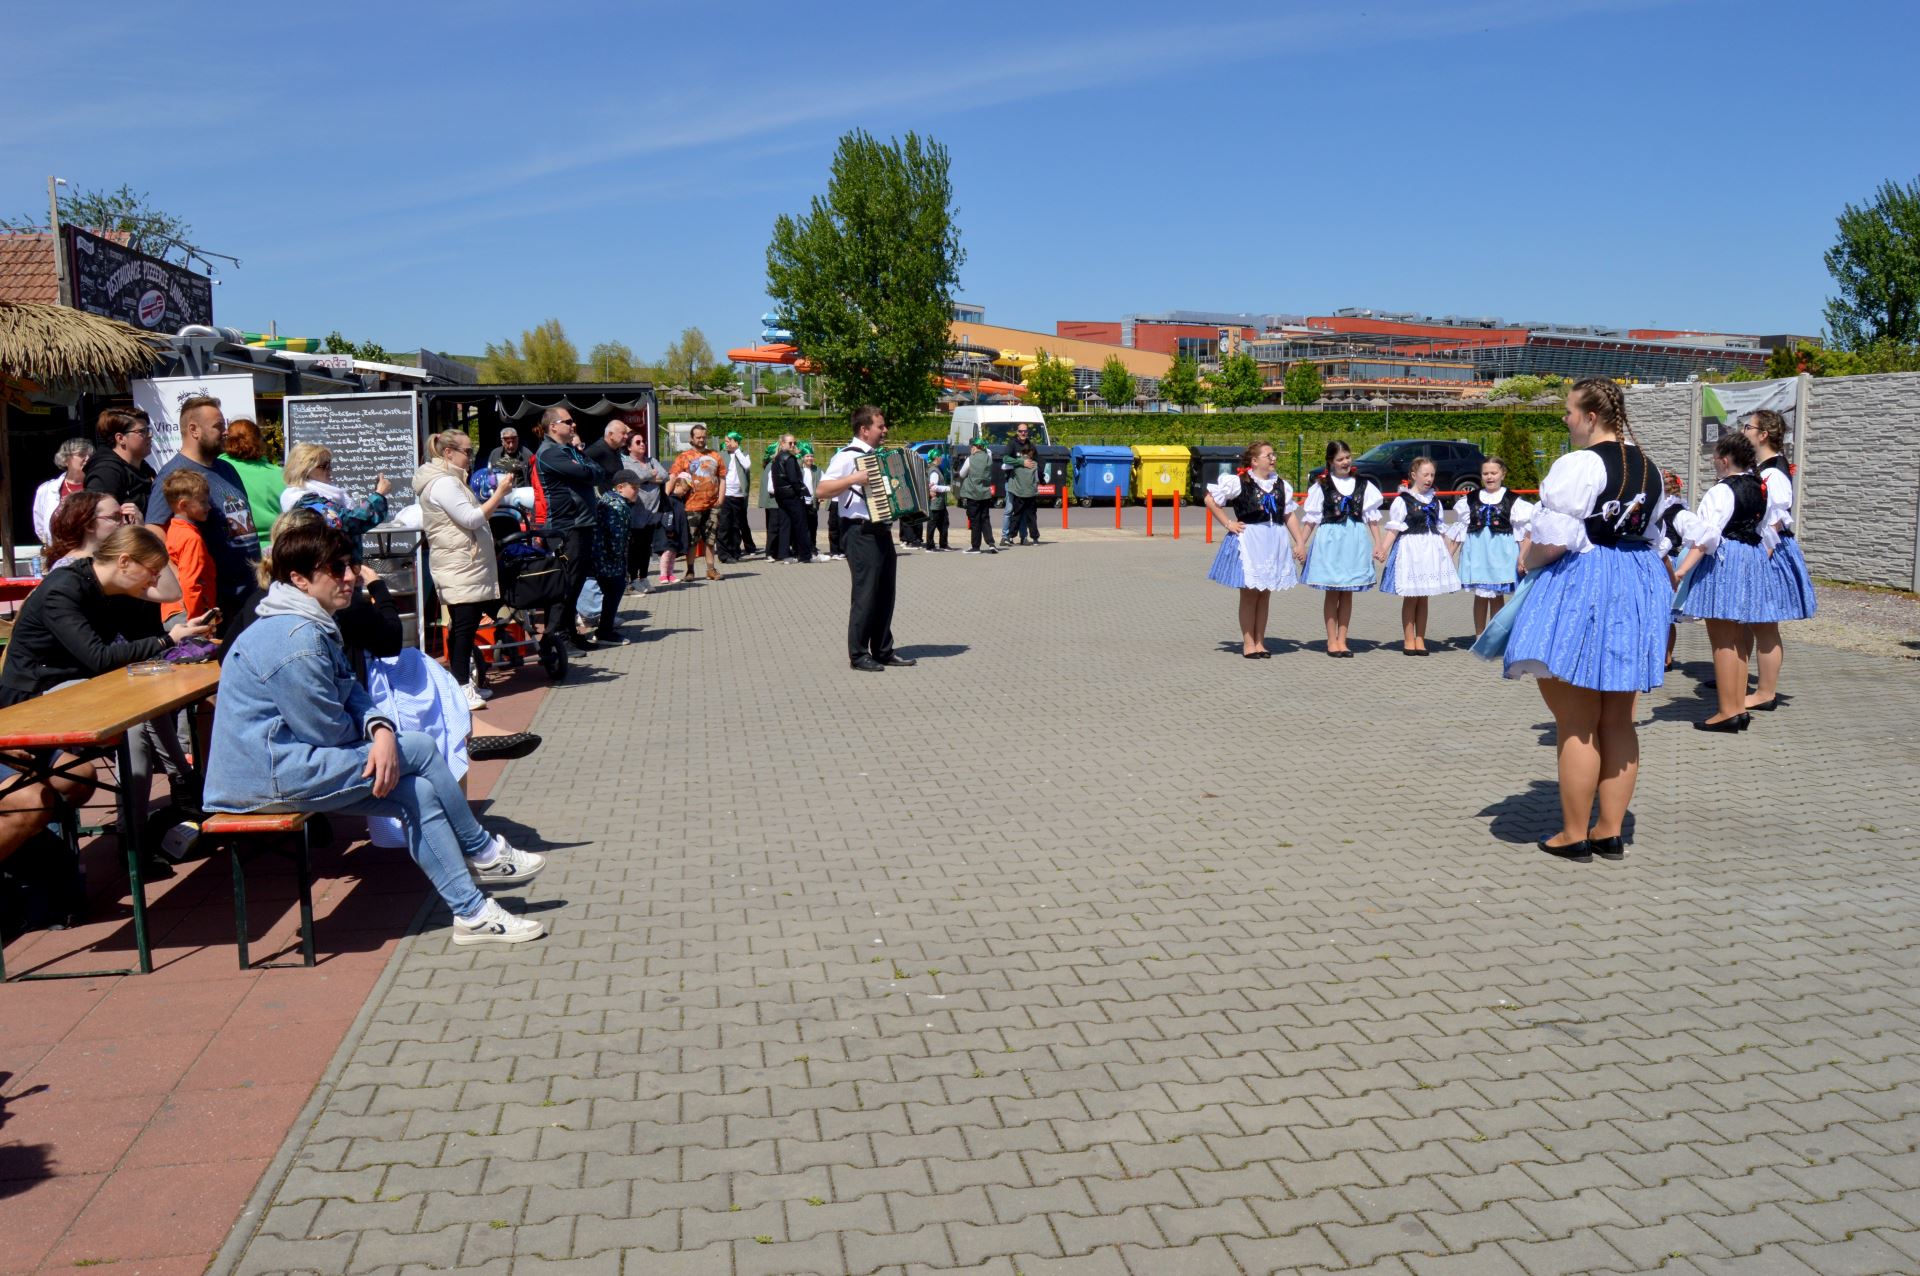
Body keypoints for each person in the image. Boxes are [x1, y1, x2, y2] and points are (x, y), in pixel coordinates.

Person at [204, 522, 547, 947]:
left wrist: (380, 729)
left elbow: (350, 689)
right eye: (335, 569)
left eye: (349, 565)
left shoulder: (309, 620)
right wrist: (382, 739)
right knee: (419, 747)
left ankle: (471, 913)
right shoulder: (295, 639)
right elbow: (325, 731)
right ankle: (481, 851)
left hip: (291, 762)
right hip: (263, 779)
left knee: (418, 792)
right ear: (299, 579)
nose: (349, 576)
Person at [1501, 378, 1675, 862]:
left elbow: (1555, 540)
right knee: (1618, 719)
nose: (1566, 419)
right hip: (1635, 582)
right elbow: (1654, 534)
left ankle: (1573, 834)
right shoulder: (1649, 468)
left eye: (1569, 411)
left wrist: (1528, 559)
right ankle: (1610, 831)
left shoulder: (1580, 464)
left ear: (1591, 417)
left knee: (1576, 721)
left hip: (1586, 582)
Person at [0, 526, 212, 817]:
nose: (154, 580)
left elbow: (169, 594)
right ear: (124, 561)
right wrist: (168, 639)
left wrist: (179, 633)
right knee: (132, 717)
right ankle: (135, 828)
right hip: (32, 695)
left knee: (147, 688)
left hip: (77, 684)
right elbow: (99, 658)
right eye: (152, 571)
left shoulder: (110, 588)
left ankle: (182, 783)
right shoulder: (63, 589)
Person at [1673, 432, 1775, 732]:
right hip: (1751, 557)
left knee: (1723, 640)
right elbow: (1766, 529)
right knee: (1737, 638)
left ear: (1726, 459)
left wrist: (1681, 571)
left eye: (1715, 457)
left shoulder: (1721, 490)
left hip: (1725, 560)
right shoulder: (1759, 486)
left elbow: (1706, 536)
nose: (1713, 462)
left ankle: (1728, 710)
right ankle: (1738, 707)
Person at [144, 396, 260, 631]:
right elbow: (153, 530)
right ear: (193, 430)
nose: (225, 432)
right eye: (218, 426)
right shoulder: (174, 474)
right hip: (215, 603)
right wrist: (179, 578)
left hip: (248, 592)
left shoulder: (226, 468)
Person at [817, 406, 914, 672]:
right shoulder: (847, 456)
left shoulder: (878, 457)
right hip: (858, 532)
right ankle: (858, 655)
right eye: (880, 426)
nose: (885, 430)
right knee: (866, 594)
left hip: (881, 530)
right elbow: (822, 490)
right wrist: (854, 478)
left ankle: (882, 650)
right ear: (864, 429)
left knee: (885, 593)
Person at [414, 430, 505, 711]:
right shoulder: (444, 483)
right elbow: (471, 518)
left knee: (464, 625)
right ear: (448, 453)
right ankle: (462, 686)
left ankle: (460, 684)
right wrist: (499, 494)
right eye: (467, 451)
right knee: (464, 626)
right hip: (458, 565)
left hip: (463, 563)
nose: (471, 457)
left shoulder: (450, 479)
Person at [1204, 441, 1305, 658]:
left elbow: (1288, 515)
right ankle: (1248, 644)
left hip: (1274, 541)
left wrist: (1299, 542)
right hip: (1251, 541)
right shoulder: (1239, 482)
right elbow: (1210, 500)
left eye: (1274, 455)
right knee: (1250, 594)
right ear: (1254, 461)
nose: (1273, 458)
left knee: (1265, 594)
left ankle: (1260, 642)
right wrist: (1228, 523)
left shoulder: (1281, 485)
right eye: (1268, 455)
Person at [1744, 409, 1815, 711]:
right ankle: (1735, 677)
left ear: (1763, 435)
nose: (1743, 431)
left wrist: (1761, 561)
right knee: (1748, 620)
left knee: (1764, 624)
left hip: (1768, 551)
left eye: (1747, 427)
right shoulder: (1763, 469)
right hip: (1761, 548)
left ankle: (1765, 693)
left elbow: (1773, 523)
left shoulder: (1774, 474)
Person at [1299, 441, 1383, 657]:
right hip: (1331, 541)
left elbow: (1372, 518)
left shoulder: (1363, 484)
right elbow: (1311, 519)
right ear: (1330, 462)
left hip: (1354, 541)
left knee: (1347, 593)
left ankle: (1342, 640)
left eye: (1347, 457)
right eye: (1340, 459)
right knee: (1332, 591)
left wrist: (1379, 543)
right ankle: (1331, 640)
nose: (1345, 462)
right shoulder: (1322, 486)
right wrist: (1300, 543)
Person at [531, 405, 602, 651]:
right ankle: (555, 638)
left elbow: (597, 471)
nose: (573, 425)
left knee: (576, 582)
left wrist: (582, 460)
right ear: (553, 426)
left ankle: (570, 633)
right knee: (565, 583)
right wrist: (585, 466)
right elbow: (588, 474)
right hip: (566, 527)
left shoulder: (568, 450)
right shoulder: (550, 453)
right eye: (568, 422)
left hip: (580, 524)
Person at [1375, 456, 1461, 656]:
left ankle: (1420, 638)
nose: (1429, 479)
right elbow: (1394, 528)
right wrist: (1383, 548)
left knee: (1423, 597)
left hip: (1430, 550)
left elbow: (1440, 528)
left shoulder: (1435, 501)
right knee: (1411, 597)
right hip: (1411, 550)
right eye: (1425, 474)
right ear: (1414, 475)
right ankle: (1408, 638)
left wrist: (1448, 552)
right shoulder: (1403, 500)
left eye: (1432, 475)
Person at [1451, 457, 1535, 638]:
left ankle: (1495, 637)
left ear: (1502, 474)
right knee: (1480, 596)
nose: (1489, 477)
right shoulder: (1470, 500)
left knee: (1497, 595)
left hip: (1502, 554)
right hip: (1478, 553)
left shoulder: (1513, 500)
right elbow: (1459, 531)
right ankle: (1479, 636)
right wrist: (1449, 555)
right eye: (1485, 473)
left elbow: (1522, 533)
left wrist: (1523, 558)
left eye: (1494, 473)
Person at [281, 442, 392, 559]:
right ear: (305, 470)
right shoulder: (307, 501)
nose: (329, 470)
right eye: (323, 466)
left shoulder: (327, 495)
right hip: (325, 565)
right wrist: (378, 495)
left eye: (329, 465)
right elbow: (346, 521)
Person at [160, 470, 218, 628]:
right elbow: (191, 582)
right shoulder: (191, 538)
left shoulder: (174, 529)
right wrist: (197, 622)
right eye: (203, 502)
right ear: (183, 505)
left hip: (174, 610)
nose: (209, 507)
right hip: (189, 614)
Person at [668, 424, 726, 581]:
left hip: (712, 505)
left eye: (704, 437)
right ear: (691, 438)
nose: (701, 440)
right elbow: (673, 476)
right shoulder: (683, 457)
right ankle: (690, 571)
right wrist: (666, 497)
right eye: (698, 437)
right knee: (692, 540)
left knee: (710, 540)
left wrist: (720, 499)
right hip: (691, 506)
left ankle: (711, 570)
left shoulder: (715, 455)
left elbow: (722, 478)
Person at [221, 417, 285, 550]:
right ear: (259, 441)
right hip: (275, 549)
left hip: (235, 549)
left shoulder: (219, 469)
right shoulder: (279, 474)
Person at [591, 472, 640, 644]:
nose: (637, 492)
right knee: (615, 589)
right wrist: (619, 559)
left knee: (613, 590)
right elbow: (615, 537)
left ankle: (605, 628)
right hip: (608, 558)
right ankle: (605, 631)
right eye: (634, 488)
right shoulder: (617, 506)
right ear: (620, 487)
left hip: (602, 556)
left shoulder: (609, 500)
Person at [84, 407, 157, 523]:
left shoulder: (145, 468)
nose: (149, 435)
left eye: (148, 430)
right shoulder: (106, 472)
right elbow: (97, 520)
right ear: (120, 438)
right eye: (142, 431)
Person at [622, 430, 668, 589]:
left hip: (652, 512)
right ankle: (633, 579)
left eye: (643, 441)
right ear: (629, 447)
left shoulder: (652, 460)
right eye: (638, 442)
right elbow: (634, 478)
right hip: (636, 513)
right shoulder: (627, 463)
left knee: (646, 547)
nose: (642, 444)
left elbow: (665, 475)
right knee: (635, 547)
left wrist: (646, 477)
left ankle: (644, 577)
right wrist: (650, 475)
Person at [32, 439, 92, 548]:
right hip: (58, 551)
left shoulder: (97, 486)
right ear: (66, 459)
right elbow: (40, 526)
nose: (87, 458)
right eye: (81, 454)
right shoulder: (47, 489)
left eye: (90, 455)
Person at [769, 434, 813, 564]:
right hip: (791, 495)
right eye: (790, 443)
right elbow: (794, 479)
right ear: (782, 443)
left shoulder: (776, 458)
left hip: (780, 495)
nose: (793, 445)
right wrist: (801, 492)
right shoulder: (789, 458)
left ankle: (784, 554)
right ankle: (805, 555)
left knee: (785, 524)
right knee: (801, 524)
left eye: (794, 443)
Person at [718, 430, 758, 561]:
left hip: (739, 495)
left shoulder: (743, 454)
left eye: (728, 441)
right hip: (725, 494)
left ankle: (735, 552)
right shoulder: (721, 455)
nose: (726, 443)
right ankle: (724, 554)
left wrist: (737, 451)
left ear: (735, 441)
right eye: (725, 441)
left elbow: (747, 466)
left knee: (736, 525)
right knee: (724, 525)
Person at [958, 438, 997, 555]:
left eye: (972, 447)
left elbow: (962, 474)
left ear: (975, 447)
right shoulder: (988, 458)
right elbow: (989, 451)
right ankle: (991, 543)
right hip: (985, 493)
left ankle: (975, 547)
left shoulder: (970, 459)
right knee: (985, 519)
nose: (971, 449)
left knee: (975, 521)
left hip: (973, 493)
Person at [999, 421, 1035, 546]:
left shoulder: (1030, 444)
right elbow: (1005, 458)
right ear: (1017, 432)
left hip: (1024, 484)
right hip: (1011, 481)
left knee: (1023, 511)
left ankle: (1023, 537)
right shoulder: (1012, 443)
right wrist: (1021, 462)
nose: (1023, 433)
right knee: (1009, 510)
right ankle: (1004, 537)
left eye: (1025, 431)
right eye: (1020, 431)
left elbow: (1036, 459)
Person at [584, 417, 631, 483]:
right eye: (623, 433)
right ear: (611, 435)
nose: (626, 436)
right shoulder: (598, 449)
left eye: (626, 433)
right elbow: (581, 463)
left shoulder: (616, 448)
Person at [924, 449, 952, 551]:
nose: (942, 458)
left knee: (944, 523)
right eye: (940, 456)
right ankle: (930, 546)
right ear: (936, 458)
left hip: (940, 502)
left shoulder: (934, 468)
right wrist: (948, 488)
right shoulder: (934, 471)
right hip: (935, 502)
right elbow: (934, 487)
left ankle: (943, 544)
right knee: (932, 524)